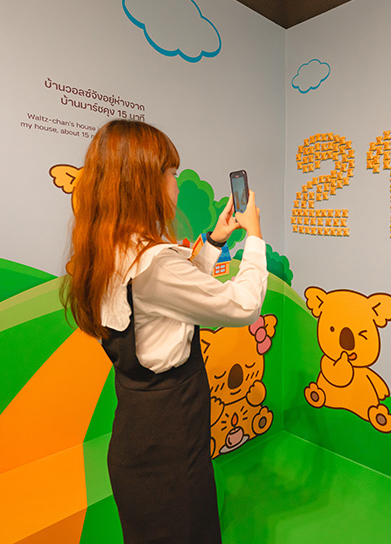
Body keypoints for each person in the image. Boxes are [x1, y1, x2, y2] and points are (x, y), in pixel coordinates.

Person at [63, 120, 267, 543]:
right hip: (171, 433)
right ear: (144, 183)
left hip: (136, 430)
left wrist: (215, 241)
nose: (175, 184)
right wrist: (254, 236)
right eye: (171, 173)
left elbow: (173, 298)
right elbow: (242, 305)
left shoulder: (108, 248)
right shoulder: (154, 263)